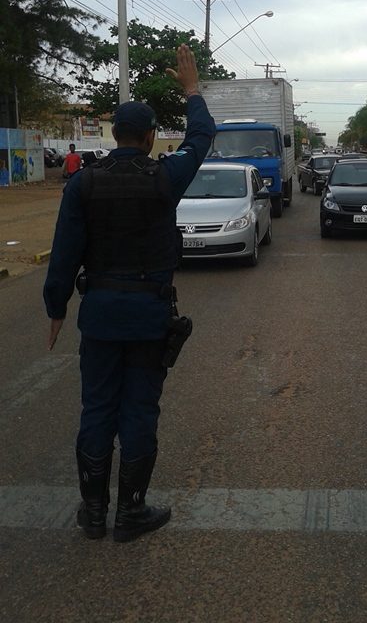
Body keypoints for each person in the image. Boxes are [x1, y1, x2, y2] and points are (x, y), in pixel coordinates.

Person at [43, 44, 216, 542]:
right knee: (138, 409)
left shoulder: (83, 183)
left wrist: (56, 308)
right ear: (148, 138)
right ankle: (131, 513)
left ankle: (93, 512)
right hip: (147, 313)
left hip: (98, 313)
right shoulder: (165, 175)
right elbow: (202, 137)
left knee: (96, 408)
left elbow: (63, 253)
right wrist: (191, 89)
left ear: (115, 134)